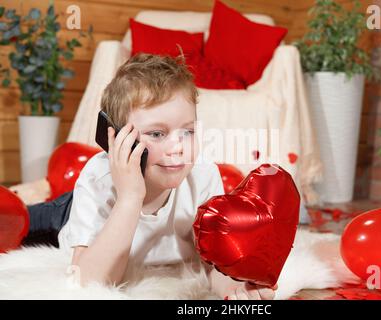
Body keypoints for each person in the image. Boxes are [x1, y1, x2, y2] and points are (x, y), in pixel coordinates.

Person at [23, 53, 279, 300]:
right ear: (118, 139)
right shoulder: (97, 178)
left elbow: (214, 263)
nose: (179, 146)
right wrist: (130, 197)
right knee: (22, 221)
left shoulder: (203, 175)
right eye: (157, 134)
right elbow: (89, 282)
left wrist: (235, 288)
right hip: (69, 211)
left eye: (188, 131)